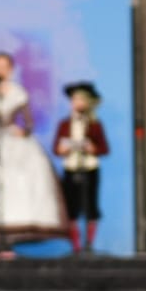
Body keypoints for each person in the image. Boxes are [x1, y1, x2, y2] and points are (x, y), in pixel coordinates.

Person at [0, 53, 68, 253]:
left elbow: (29, 123)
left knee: (18, 181)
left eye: (4, 66)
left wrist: (22, 130)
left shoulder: (18, 92)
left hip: (13, 141)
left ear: (11, 69)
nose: (0, 70)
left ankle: (12, 232)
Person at [55, 81, 111, 254]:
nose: (77, 103)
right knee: (71, 208)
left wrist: (92, 148)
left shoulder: (95, 124)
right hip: (71, 168)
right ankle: (76, 247)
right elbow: (56, 148)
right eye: (74, 100)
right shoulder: (65, 124)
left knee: (91, 206)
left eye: (80, 100)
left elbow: (104, 148)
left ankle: (89, 245)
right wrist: (63, 149)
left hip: (89, 168)